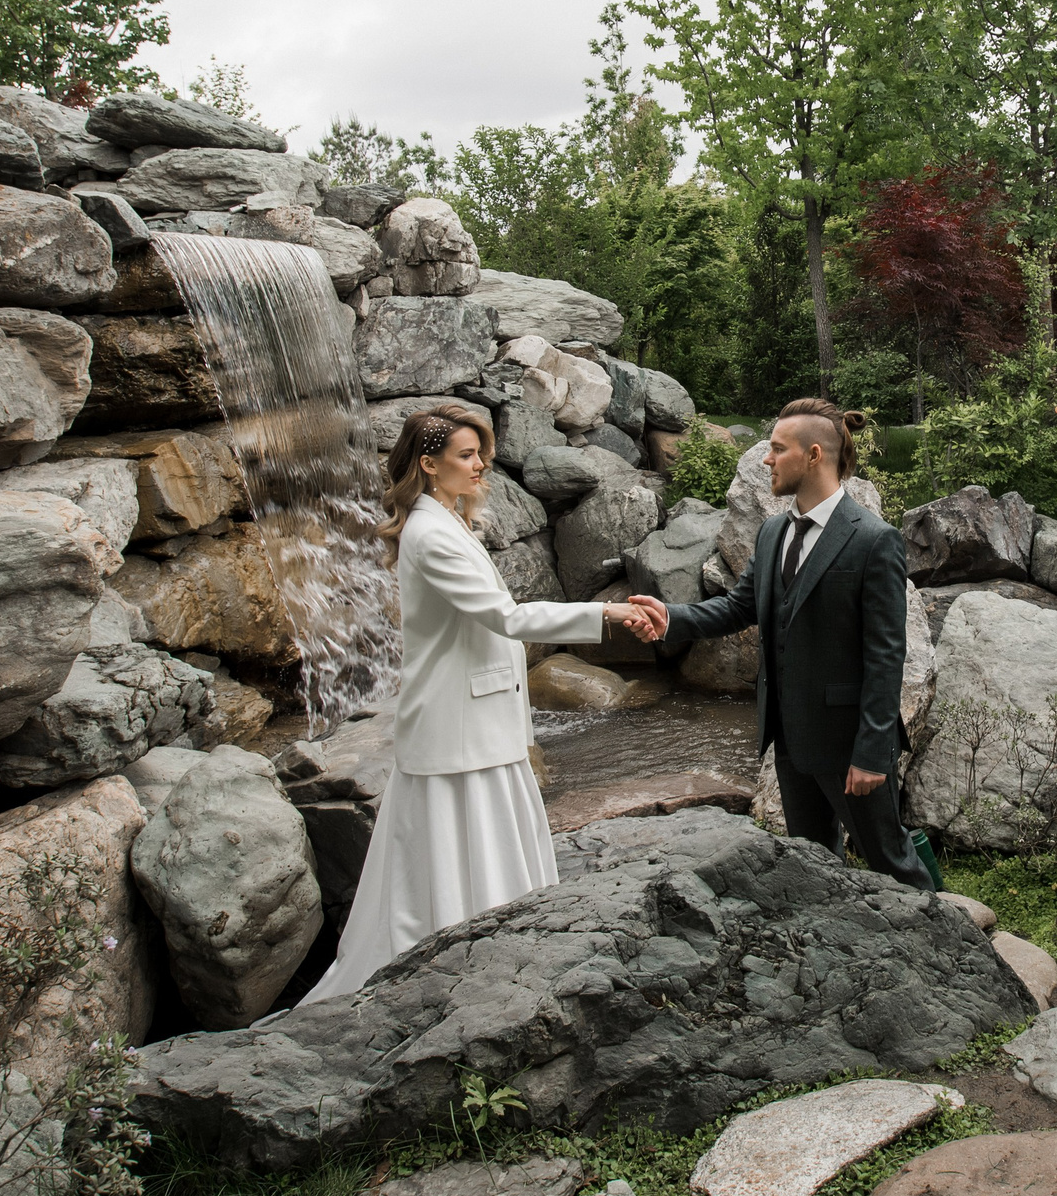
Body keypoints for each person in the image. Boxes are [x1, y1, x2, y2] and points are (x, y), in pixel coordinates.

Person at [301, 403, 658, 1004]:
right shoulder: (429, 533)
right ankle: (465, 964)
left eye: (481, 454)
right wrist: (607, 611)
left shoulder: (442, 519)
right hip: (457, 727)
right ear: (428, 463)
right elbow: (507, 617)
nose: (481, 466)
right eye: (467, 455)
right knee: (449, 850)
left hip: (474, 722)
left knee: (470, 844)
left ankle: (502, 947)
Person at [629, 399, 934, 890]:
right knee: (813, 866)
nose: (766, 459)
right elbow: (739, 607)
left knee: (892, 861)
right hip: (789, 737)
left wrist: (873, 751)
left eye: (776, 449)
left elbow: (885, 655)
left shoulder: (874, 539)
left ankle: (947, 952)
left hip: (848, 741)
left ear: (814, 455)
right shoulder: (773, 531)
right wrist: (671, 619)